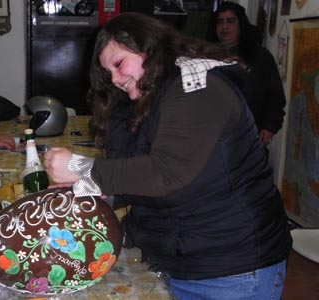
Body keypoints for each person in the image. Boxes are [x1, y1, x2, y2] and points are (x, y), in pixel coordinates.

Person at [43, 12, 292, 300]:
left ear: (149, 47)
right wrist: (100, 192)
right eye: (108, 72)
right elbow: (149, 170)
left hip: (233, 268)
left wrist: (81, 168)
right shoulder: (153, 96)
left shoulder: (197, 88)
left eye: (119, 63)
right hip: (188, 258)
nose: (115, 78)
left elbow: (166, 172)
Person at [206, 1, 286, 146]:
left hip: (249, 134)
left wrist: (269, 127)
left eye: (230, 21)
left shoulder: (259, 56)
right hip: (211, 135)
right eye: (220, 22)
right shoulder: (204, 56)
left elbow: (275, 96)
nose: (224, 27)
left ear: (240, 25)